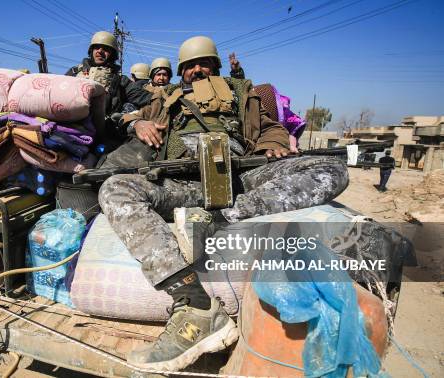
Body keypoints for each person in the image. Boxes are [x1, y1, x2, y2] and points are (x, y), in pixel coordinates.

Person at [98, 36, 349, 370]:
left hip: (240, 178)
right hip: (184, 183)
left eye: (205, 64)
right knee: (116, 188)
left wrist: (273, 147)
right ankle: (194, 302)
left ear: (215, 67)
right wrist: (138, 122)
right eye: (190, 66)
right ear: (182, 72)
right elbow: (123, 116)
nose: (198, 70)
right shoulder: (167, 98)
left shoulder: (243, 94)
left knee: (331, 168)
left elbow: (271, 129)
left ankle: (224, 218)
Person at [66, 31, 151, 149]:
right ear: (91, 50)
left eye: (106, 49)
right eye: (96, 47)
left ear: (113, 54)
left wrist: (167, 95)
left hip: (102, 134)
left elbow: (142, 96)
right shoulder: (74, 72)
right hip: (70, 128)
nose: (100, 51)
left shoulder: (121, 81)